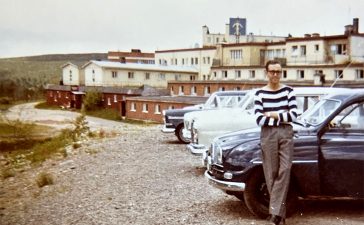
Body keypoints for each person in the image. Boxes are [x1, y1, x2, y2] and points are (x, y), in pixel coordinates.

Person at [254, 60, 298, 225]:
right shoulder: (259, 94)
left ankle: (275, 214)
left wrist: (272, 114)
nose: (275, 75)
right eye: (272, 71)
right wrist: (281, 115)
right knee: (270, 172)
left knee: (285, 170)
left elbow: (294, 115)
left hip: (286, 133)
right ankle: (279, 215)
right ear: (266, 72)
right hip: (268, 134)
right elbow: (259, 119)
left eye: (278, 72)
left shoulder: (288, 91)